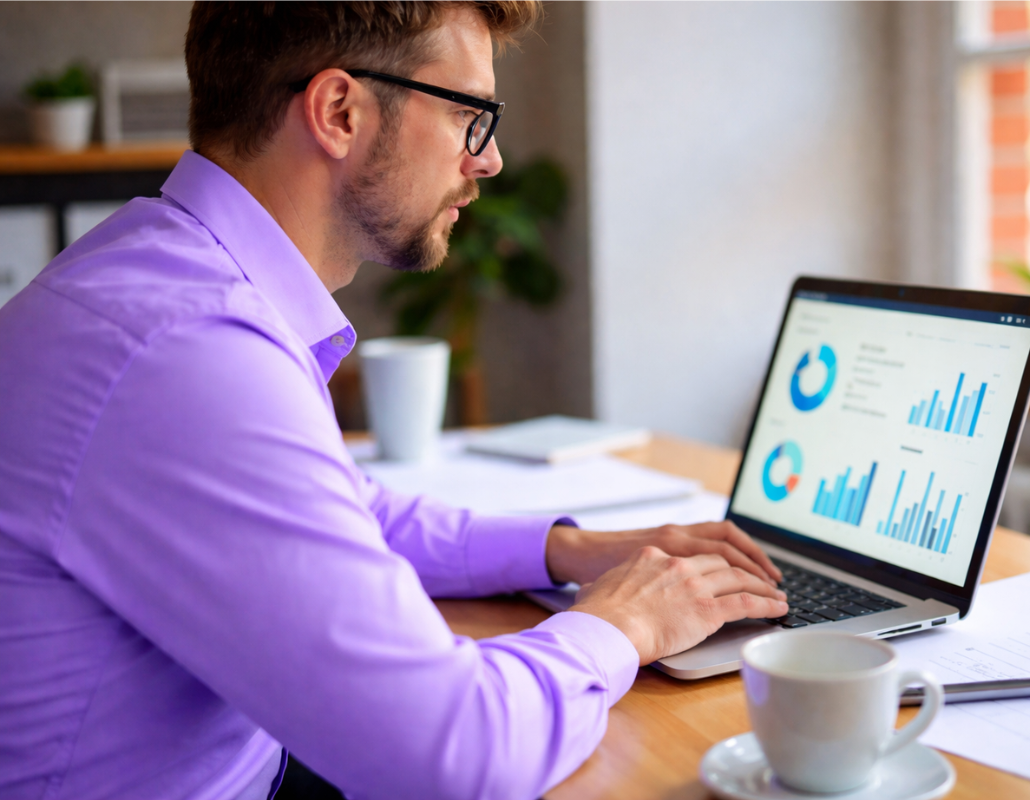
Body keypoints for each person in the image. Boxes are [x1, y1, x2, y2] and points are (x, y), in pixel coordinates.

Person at [0, 3, 788, 799]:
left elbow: (344, 507)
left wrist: (564, 552)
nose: (491, 162)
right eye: (468, 116)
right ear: (340, 111)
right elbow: (453, 754)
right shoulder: (188, 350)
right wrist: (627, 623)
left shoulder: (161, 279)